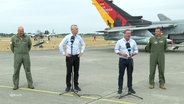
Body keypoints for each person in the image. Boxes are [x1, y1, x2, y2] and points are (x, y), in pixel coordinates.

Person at [59, 25, 85, 92]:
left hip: (76, 57)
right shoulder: (68, 37)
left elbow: (83, 44)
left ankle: (76, 85)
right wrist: (64, 53)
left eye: (77, 29)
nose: (77, 30)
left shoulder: (79, 37)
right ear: (72, 30)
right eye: (76, 29)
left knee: (76, 72)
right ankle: (68, 86)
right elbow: (60, 45)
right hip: (69, 57)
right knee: (69, 72)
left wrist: (81, 52)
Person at [114, 29, 138, 94]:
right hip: (122, 60)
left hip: (130, 60)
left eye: (130, 33)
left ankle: (130, 88)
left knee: (130, 75)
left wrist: (133, 53)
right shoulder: (120, 41)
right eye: (127, 33)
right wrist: (121, 53)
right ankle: (120, 88)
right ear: (124, 34)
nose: (129, 35)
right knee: (121, 75)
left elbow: (136, 50)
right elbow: (116, 50)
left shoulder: (133, 42)